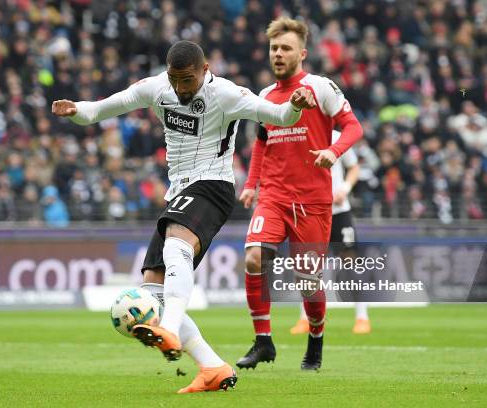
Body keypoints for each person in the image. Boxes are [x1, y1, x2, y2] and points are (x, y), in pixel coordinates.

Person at [52, 40, 316, 393]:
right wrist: (78, 111)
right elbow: (105, 108)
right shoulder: (158, 88)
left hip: (213, 185)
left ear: (205, 70)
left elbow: (279, 116)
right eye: (175, 79)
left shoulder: (228, 94)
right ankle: (212, 367)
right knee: (152, 288)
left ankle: (171, 329)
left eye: (187, 80)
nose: (180, 88)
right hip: (179, 192)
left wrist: (295, 107)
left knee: (177, 245)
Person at [236, 18, 363, 371]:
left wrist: (333, 152)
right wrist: (251, 184)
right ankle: (263, 341)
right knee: (253, 258)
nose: (278, 54)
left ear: (302, 54)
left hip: (313, 201)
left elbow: (354, 127)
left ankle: (316, 338)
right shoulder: (264, 96)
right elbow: (262, 143)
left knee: (308, 282)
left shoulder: (321, 87)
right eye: (274, 48)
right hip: (273, 196)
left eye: (285, 48)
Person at [289, 130, 371, 335]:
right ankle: (305, 318)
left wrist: (344, 187)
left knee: (351, 262)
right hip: (311, 211)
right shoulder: (300, 135)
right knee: (308, 266)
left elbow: (353, 167)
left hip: (339, 212)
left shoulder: (337, 137)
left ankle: (362, 317)